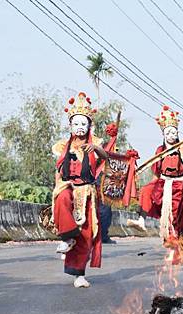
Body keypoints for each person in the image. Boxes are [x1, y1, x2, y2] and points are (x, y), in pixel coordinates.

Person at [52, 92, 107, 288]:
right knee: (62, 198)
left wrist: (95, 149)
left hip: (87, 192)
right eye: (76, 124)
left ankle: (79, 275)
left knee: (85, 234)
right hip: (68, 187)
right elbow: (58, 172)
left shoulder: (96, 145)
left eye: (84, 124)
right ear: (70, 126)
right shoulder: (62, 147)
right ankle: (67, 237)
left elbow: (105, 156)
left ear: (89, 126)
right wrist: (56, 188)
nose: (80, 127)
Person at [128, 106, 183, 247]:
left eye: (174, 132)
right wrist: (152, 188)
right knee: (146, 191)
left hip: (178, 184)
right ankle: (141, 220)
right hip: (163, 181)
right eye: (168, 133)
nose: (172, 135)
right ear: (164, 135)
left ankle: (175, 238)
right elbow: (156, 173)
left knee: (175, 212)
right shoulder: (160, 150)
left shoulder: (182, 148)